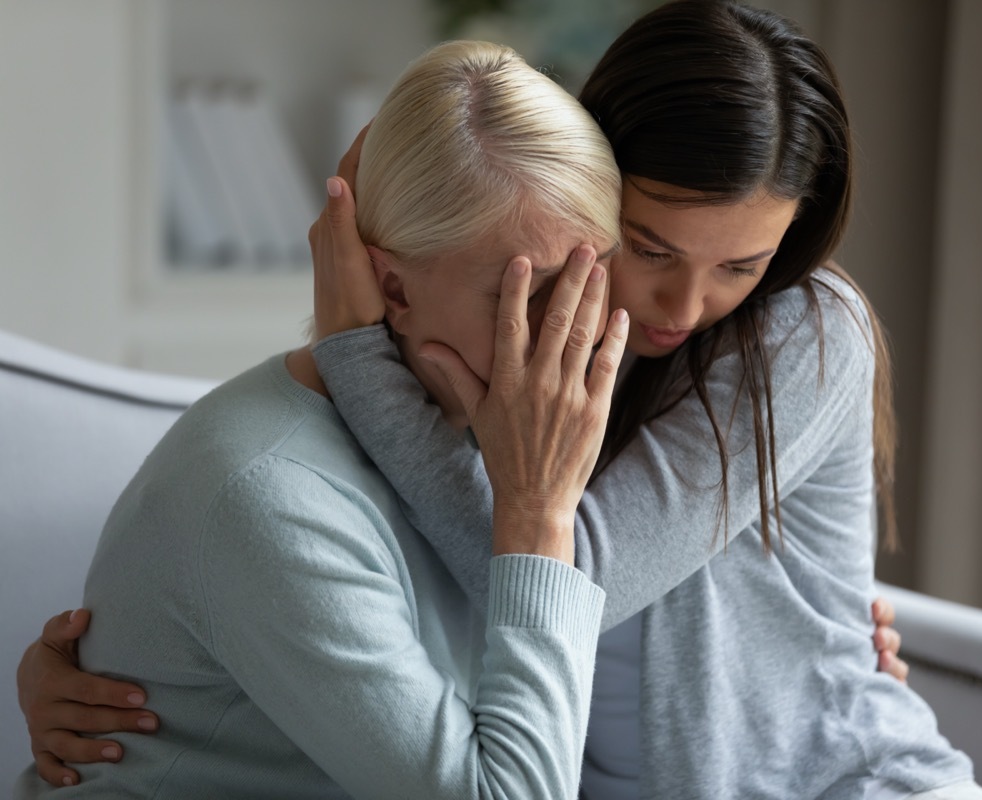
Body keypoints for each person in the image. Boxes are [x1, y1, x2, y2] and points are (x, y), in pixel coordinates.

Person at [17, 1, 925, 797]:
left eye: (742, 265)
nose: (682, 309)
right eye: (646, 248)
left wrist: (356, 352)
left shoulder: (794, 332)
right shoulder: (508, 358)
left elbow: (560, 576)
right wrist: (127, 664)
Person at [12, 39, 630, 799]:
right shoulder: (263, 494)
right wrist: (537, 512)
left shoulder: (494, 425)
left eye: (592, 282)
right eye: (533, 298)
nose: (583, 333)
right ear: (392, 291)